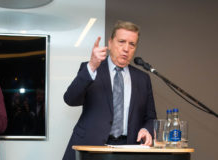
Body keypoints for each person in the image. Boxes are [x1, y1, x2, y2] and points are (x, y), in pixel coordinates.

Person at [62, 20, 157, 160]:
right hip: (90, 146)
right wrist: (92, 66)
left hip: (128, 149)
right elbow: (70, 99)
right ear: (110, 43)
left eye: (132, 44)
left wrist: (146, 130)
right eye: (122, 42)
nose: (126, 48)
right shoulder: (91, 68)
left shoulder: (142, 79)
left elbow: (150, 117)